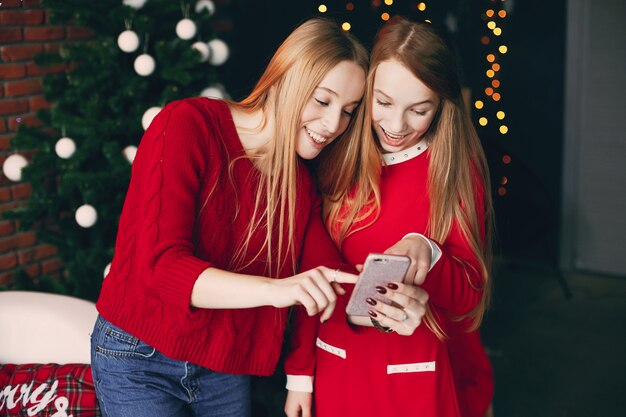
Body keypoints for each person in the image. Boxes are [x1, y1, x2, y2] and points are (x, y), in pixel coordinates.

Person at [90, 17, 369, 417]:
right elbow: (161, 267)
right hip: (139, 355)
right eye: (322, 101)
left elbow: (326, 279)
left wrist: (406, 267)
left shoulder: (299, 186)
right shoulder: (186, 124)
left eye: (348, 111)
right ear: (285, 79)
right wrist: (277, 289)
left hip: (224, 365)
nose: (333, 125)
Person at [284, 16, 494, 417]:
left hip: (415, 380)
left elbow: (469, 297)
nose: (396, 127)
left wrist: (428, 252)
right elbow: (310, 272)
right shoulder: (332, 152)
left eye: (419, 110)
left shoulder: (454, 167)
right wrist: (299, 376)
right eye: (383, 103)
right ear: (366, 92)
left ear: (442, 105)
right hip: (336, 369)